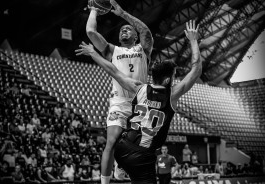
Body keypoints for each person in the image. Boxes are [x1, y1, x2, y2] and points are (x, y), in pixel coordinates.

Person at [76, 19, 201, 184]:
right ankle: (120, 167)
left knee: (113, 144)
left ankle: (119, 166)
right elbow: (197, 67)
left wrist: (92, 53)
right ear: (166, 81)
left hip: (123, 148)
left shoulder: (140, 88)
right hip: (143, 154)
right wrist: (193, 41)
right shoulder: (172, 95)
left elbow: (112, 70)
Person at [86, 0, 154, 183]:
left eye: (128, 29)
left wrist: (123, 14)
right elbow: (91, 33)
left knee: (138, 147)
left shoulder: (143, 49)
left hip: (141, 103)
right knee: (112, 141)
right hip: (120, 103)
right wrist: (93, 10)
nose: (124, 30)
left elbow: (146, 31)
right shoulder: (111, 50)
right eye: (121, 29)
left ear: (135, 37)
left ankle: (121, 165)